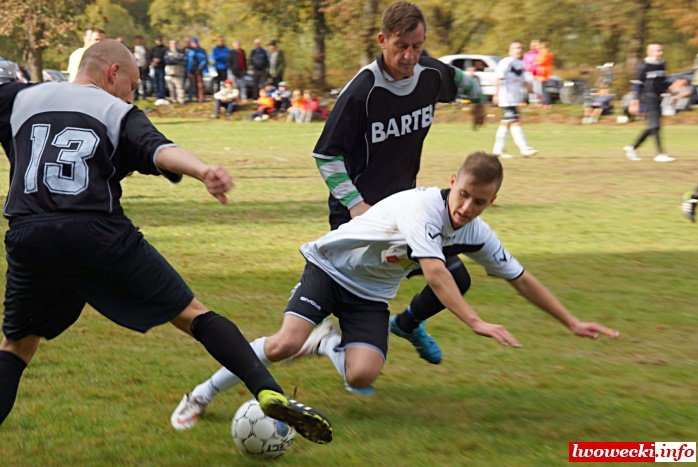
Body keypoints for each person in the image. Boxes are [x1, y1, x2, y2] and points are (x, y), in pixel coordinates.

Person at [168, 1, 501, 429]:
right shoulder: (362, 91)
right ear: (382, 41)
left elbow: (459, 78)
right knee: (288, 341)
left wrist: (476, 101)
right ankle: (218, 386)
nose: (410, 57)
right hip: (358, 224)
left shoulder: (428, 72)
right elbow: (326, 155)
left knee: (455, 276)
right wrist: (357, 205)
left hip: (407, 218)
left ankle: (404, 324)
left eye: (418, 47)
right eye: (402, 47)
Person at [0, 39, 333, 445]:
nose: (133, 94)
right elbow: (160, 149)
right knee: (193, 314)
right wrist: (203, 171)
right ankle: (267, 389)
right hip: (96, 233)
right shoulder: (116, 109)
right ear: (113, 73)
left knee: (16, 347)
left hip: (29, 233)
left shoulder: (19, 96)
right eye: (134, 84)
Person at [168, 152, 620, 404]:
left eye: (479, 202)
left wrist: (572, 322)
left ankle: (327, 344)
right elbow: (436, 274)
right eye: (463, 195)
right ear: (452, 181)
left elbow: (522, 279)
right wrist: (476, 321)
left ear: (492, 201)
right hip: (330, 269)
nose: (466, 208)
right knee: (285, 343)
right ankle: (201, 395)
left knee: (362, 376)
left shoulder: (477, 231)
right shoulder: (421, 209)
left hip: (370, 295)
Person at [623, 43, 675, 163]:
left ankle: (632, 148)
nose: (660, 53)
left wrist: (669, 89)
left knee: (653, 126)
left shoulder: (662, 64)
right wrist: (635, 101)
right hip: (647, 97)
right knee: (655, 125)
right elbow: (637, 84)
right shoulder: (644, 65)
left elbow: (662, 81)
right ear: (649, 52)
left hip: (658, 97)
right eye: (657, 51)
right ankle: (660, 154)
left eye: (661, 50)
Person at [492, 41, 537, 159]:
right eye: (516, 48)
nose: (519, 50)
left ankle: (498, 149)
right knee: (514, 121)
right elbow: (498, 78)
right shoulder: (506, 62)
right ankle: (524, 148)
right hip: (506, 97)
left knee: (506, 123)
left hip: (514, 98)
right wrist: (495, 94)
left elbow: (525, 82)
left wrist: (535, 94)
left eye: (521, 48)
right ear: (510, 50)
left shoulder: (521, 64)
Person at [164, 39, 187, 104]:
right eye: (171, 44)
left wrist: (173, 59)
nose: (173, 45)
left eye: (174, 44)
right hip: (169, 72)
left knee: (180, 87)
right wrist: (177, 60)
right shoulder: (167, 52)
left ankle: (181, 100)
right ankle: (173, 100)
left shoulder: (181, 52)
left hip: (179, 72)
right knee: (171, 88)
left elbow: (184, 60)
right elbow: (167, 61)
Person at [186, 38, 207, 103]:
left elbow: (204, 60)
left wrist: (200, 67)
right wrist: (188, 70)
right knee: (192, 84)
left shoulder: (201, 50)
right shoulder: (189, 51)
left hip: (199, 70)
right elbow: (187, 61)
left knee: (200, 85)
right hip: (191, 70)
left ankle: (201, 98)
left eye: (195, 43)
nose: (194, 44)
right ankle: (191, 98)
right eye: (193, 43)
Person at [533, 41, 553, 108]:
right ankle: (546, 103)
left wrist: (535, 62)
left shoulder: (543, 53)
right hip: (546, 72)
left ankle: (546, 103)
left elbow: (540, 61)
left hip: (542, 73)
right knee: (544, 89)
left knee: (543, 90)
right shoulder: (549, 53)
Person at [150, 36, 168, 105]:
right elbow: (149, 57)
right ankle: (158, 96)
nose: (158, 42)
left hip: (161, 67)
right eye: (157, 40)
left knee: (161, 82)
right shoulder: (153, 49)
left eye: (160, 40)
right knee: (156, 82)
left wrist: (159, 60)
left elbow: (166, 58)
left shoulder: (165, 49)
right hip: (155, 68)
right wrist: (152, 62)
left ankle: (162, 96)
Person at [132, 35, 150, 101]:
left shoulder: (145, 48)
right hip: (136, 66)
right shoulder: (133, 48)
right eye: (137, 39)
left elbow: (148, 57)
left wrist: (147, 63)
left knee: (144, 81)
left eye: (140, 39)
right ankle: (136, 96)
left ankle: (144, 96)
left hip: (143, 66)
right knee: (136, 82)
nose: (138, 41)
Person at [523, 40, 540, 104]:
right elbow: (525, 63)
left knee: (537, 87)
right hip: (529, 73)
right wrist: (528, 69)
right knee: (530, 86)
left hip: (537, 73)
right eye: (533, 45)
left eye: (536, 45)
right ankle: (532, 100)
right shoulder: (527, 54)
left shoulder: (540, 53)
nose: (534, 47)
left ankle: (539, 100)